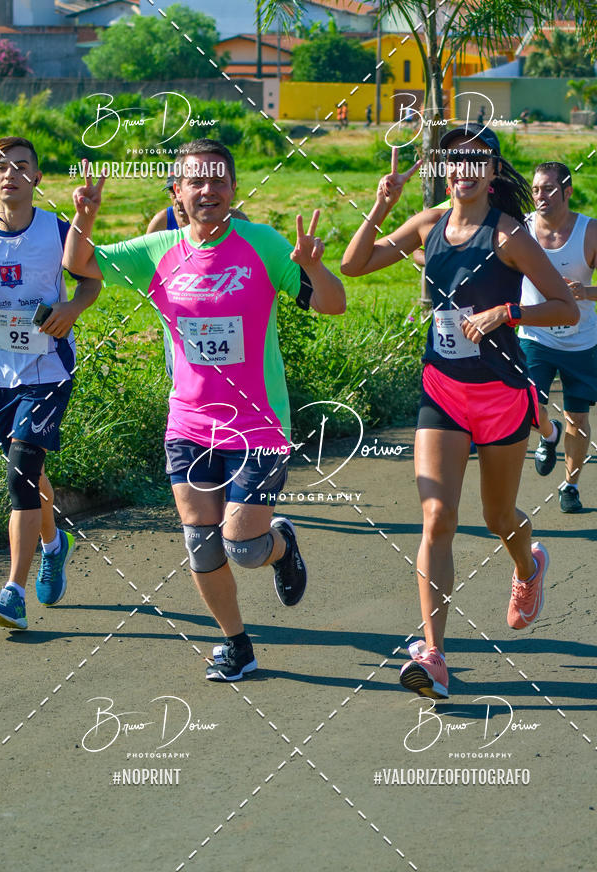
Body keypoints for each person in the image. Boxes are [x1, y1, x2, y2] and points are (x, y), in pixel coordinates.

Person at [63, 138, 346, 682]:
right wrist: (86, 216)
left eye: (219, 179)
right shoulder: (158, 249)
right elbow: (80, 263)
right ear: (177, 192)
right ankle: (237, 644)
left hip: (259, 426)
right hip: (189, 423)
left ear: (234, 189)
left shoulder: (261, 244)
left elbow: (333, 303)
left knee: (242, 545)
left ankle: (281, 545)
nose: (208, 189)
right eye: (196, 180)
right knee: (201, 540)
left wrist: (312, 265)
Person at [341, 123, 577, 699]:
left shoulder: (509, 236)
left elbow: (566, 307)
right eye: (453, 161)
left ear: (493, 174)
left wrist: (507, 315)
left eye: (476, 162)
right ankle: (435, 655)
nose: (463, 171)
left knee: (499, 519)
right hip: (443, 388)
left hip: (500, 392)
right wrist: (380, 205)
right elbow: (354, 265)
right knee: (437, 518)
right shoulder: (428, 225)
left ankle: (528, 567)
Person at [0, 136, 101, 631]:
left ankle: (12, 591)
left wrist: (73, 307)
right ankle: (54, 544)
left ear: (37, 178)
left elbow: (92, 278)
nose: (10, 174)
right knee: (29, 473)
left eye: (21, 167)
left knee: (19, 475)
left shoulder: (56, 230)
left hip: (48, 371)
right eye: (2, 167)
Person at [518, 162, 597, 512]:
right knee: (527, 402)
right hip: (534, 335)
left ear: (567, 191)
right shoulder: (521, 228)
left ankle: (570, 486)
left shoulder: (590, 231)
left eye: (549, 188)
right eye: (536, 189)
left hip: (582, 341)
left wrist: (586, 292)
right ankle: (548, 436)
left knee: (577, 418)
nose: (540, 196)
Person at [146, 174, 249, 379]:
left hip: (228, 313)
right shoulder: (161, 223)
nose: (178, 200)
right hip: (182, 315)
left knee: (235, 371)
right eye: (173, 193)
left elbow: (250, 262)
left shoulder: (235, 220)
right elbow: (150, 274)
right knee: (182, 373)